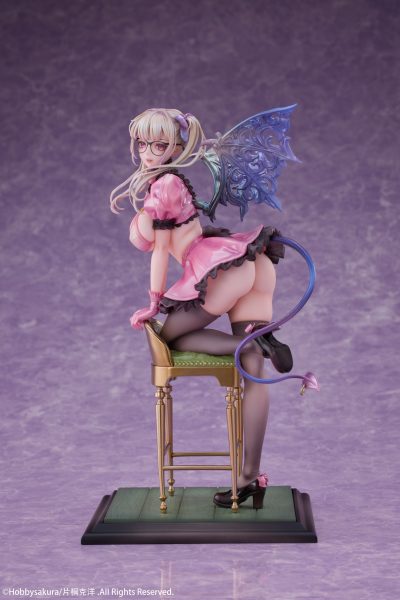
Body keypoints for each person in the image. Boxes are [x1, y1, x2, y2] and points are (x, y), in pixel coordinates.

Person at [110, 107, 294, 509]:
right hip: (252, 264)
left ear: (177, 148)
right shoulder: (177, 184)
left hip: (222, 271)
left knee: (171, 337)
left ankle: (249, 344)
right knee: (254, 372)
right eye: (142, 143)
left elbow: (160, 251)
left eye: (158, 145)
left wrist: (153, 303)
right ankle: (250, 477)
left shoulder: (164, 186)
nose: (147, 152)